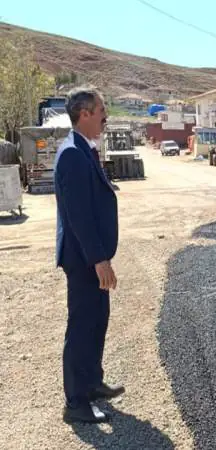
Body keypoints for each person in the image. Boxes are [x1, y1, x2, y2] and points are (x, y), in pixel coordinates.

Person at [54, 87, 124, 424]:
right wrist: (99, 259)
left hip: (92, 258)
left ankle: (92, 384)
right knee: (82, 326)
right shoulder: (72, 154)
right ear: (84, 114)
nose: (105, 119)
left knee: (98, 322)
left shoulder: (83, 148)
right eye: (102, 113)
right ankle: (76, 402)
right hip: (83, 261)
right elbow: (78, 215)